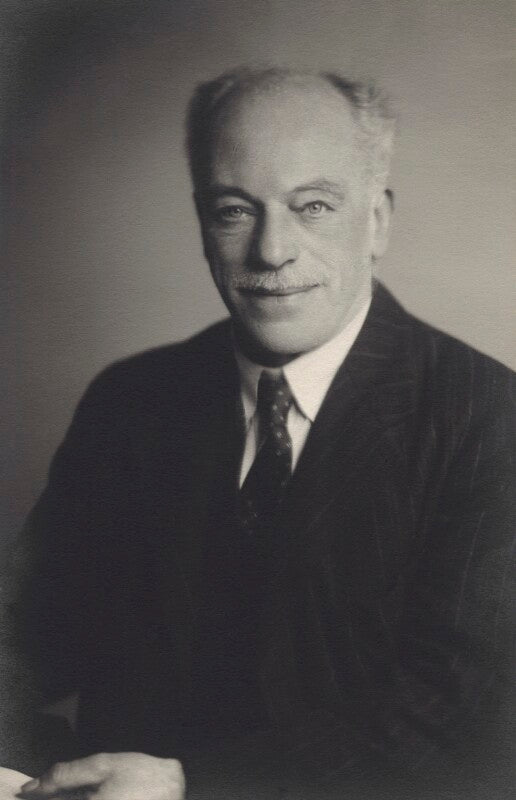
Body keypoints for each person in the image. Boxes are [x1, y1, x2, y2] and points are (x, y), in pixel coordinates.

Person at [5, 67, 515, 799]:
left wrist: (192, 787)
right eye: (235, 211)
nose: (272, 251)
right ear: (201, 225)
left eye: (314, 207)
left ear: (376, 221)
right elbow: (22, 643)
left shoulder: (489, 419)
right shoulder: (131, 402)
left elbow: (466, 729)